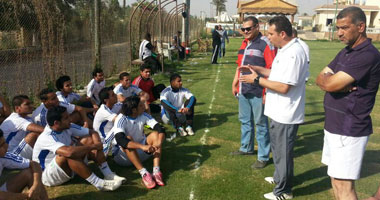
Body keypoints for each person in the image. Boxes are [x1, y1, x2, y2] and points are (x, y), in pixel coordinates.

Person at [239, 15, 308, 199]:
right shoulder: (285, 49)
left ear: (283, 33)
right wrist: (258, 69)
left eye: (271, 33)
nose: (268, 37)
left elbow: (284, 87)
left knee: (284, 153)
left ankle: (284, 191)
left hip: (286, 113)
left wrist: (256, 80)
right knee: (278, 150)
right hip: (278, 111)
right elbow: (276, 73)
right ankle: (280, 178)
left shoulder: (293, 53)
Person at [316, 7, 380, 200]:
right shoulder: (346, 52)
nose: (339, 32)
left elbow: (330, 82)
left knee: (344, 186)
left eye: (344, 27)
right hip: (334, 126)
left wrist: (331, 82)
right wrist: (330, 83)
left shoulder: (366, 54)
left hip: (349, 128)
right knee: (336, 180)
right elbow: (321, 78)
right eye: (337, 28)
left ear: (361, 27)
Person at [32, 106, 124, 191]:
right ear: (56, 123)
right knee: (69, 153)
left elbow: (93, 132)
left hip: (64, 167)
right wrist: (95, 146)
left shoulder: (66, 126)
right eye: (66, 118)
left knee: (88, 139)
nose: (70, 119)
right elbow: (69, 153)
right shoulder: (46, 137)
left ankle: (108, 174)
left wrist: (97, 145)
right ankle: (99, 184)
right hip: (47, 175)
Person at [231, 16, 276, 170]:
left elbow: (271, 69)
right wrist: (235, 83)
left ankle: (263, 156)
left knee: (261, 124)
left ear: (257, 27)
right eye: (243, 29)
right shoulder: (244, 43)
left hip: (258, 90)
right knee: (245, 121)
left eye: (248, 29)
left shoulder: (265, 44)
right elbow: (239, 66)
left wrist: (266, 91)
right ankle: (246, 148)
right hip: (243, 90)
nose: (245, 32)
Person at [111, 96, 166, 189]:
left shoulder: (143, 115)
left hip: (141, 152)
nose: (144, 106)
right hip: (123, 158)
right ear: (133, 110)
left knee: (156, 134)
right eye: (141, 105)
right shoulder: (121, 118)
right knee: (127, 138)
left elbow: (160, 129)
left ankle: (156, 171)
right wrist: (142, 147)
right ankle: (144, 173)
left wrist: (158, 143)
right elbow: (121, 140)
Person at [0, 129, 49, 200]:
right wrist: (27, 195)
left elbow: (34, 164)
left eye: (4, 142)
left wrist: (36, 185)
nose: (6, 146)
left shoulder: (3, 156)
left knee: (29, 172)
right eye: (1, 145)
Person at [0, 95, 44, 159]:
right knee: (33, 135)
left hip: (17, 149)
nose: (31, 106)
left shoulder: (27, 118)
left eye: (31, 103)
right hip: (9, 154)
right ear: (17, 108)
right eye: (27, 104)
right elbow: (41, 130)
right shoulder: (16, 119)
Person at [93, 86, 121, 154]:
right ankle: (110, 149)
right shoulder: (103, 110)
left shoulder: (114, 105)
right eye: (113, 95)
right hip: (103, 139)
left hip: (111, 133)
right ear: (106, 100)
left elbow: (125, 105)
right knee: (120, 125)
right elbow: (118, 120)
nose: (116, 96)